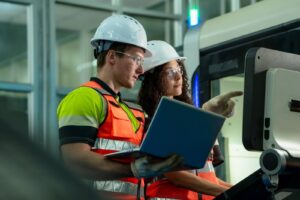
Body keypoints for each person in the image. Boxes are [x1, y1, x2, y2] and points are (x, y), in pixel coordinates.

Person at [57, 16, 183, 200]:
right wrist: (133, 169)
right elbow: (75, 161)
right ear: (112, 56)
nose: (141, 70)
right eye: (137, 60)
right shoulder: (84, 98)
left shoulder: (133, 111)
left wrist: (209, 111)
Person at [138, 40, 243, 200]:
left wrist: (244, 189)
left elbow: (207, 177)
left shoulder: (188, 119)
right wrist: (228, 194)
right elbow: (176, 176)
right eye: (170, 72)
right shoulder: (153, 124)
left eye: (179, 69)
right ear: (152, 79)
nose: (179, 76)